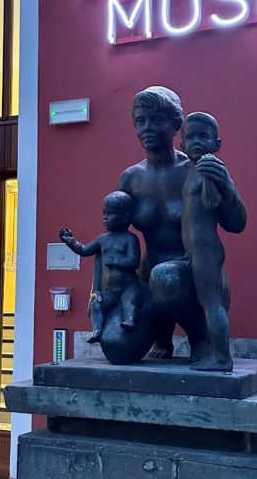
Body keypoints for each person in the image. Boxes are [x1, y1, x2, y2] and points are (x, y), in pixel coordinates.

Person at [118, 86, 246, 360]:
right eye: (140, 121)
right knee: (118, 347)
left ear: (175, 125)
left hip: (192, 275)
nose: (147, 128)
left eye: (156, 120)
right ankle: (160, 337)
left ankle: (200, 337)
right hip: (148, 278)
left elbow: (237, 224)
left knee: (165, 278)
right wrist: (102, 290)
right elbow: (113, 234)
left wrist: (227, 187)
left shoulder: (198, 167)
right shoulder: (131, 178)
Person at [180, 111, 242, 371]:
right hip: (194, 251)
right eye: (191, 137)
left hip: (205, 249)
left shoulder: (210, 168)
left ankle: (221, 357)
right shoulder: (193, 170)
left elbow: (217, 205)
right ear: (182, 145)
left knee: (211, 302)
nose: (196, 142)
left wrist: (223, 184)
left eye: (203, 137)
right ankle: (217, 354)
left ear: (216, 144)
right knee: (206, 301)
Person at [59, 191, 142, 342]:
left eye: (110, 214)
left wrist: (115, 260)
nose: (105, 218)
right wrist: (71, 241)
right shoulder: (102, 239)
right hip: (109, 290)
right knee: (96, 305)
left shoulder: (130, 238)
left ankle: (130, 321)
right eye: (104, 213)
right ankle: (97, 330)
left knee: (130, 303)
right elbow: (84, 250)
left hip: (128, 287)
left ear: (124, 217)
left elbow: (134, 262)